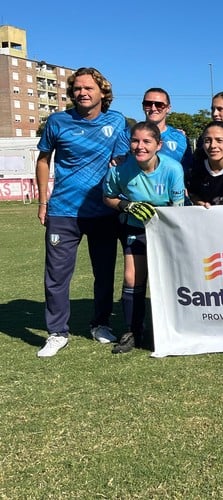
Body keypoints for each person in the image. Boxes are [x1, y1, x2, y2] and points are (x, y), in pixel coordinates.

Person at [35, 67, 130, 357]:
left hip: (103, 211)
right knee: (57, 276)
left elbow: (124, 159)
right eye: (77, 88)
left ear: (103, 92)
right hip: (63, 211)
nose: (82, 93)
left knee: (103, 273)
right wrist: (43, 200)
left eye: (89, 88)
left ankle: (100, 324)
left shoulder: (116, 121)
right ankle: (57, 332)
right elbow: (43, 160)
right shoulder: (57, 121)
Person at [103, 121, 185, 353]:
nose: (140, 146)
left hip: (168, 231)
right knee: (132, 278)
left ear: (158, 145)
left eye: (146, 141)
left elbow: (178, 207)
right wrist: (126, 205)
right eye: (135, 141)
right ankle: (132, 331)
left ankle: (171, 329)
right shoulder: (119, 170)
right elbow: (108, 197)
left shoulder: (172, 169)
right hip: (136, 229)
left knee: (171, 280)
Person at [141, 87, 193, 172]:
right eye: (148, 104)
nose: (153, 108)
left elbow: (188, 172)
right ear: (143, 106)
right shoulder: (128, 135)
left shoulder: (180, 138)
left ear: (168, 108)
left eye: (159, 105)